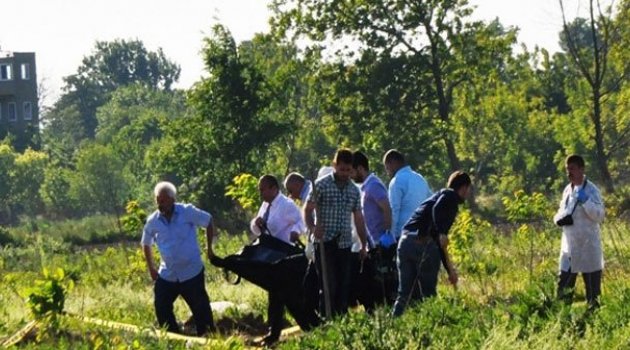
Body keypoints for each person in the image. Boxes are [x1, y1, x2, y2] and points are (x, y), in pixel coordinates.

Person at [392, 171, 471, 317]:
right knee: (428, 294)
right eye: (468, 189)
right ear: (464, 187)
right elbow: (437, 218)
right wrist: (442, 232)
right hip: (422, 243)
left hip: (405, 242)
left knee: (404, 294)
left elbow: (439, 243)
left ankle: (393, 323)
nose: (468, 193)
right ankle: (433, 326)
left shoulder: (439, 197)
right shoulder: (450, 196)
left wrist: (449, 270)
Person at [141, 181, 215, 335]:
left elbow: (208, 221)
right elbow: (145, 243)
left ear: (172, 199)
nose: (160, 204)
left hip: (191, 272)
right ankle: (173, 338)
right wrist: (151, 268)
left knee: (201, 310)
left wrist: (209, 249)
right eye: (157, 201)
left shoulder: (187, 212)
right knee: (161, 306)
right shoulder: (153, 221)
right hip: (168, 274)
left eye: (163, 200)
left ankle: (209, 339)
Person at [304, 149, 368, 317]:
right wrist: (313, 228)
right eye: (341, 169)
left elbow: (359, 218)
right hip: (324, 243)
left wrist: (364, 243)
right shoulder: (321, 185)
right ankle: (326, 319)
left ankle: (341, 320)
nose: (345, 173)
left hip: (344, 244)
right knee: (328, 285)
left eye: (348, 170)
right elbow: (307, 210)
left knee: (343, 285)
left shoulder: (354, 190)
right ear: (334, 166)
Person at [250, 175, 306, 346]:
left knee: (284, 295)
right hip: (270, 256)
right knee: (274, 294)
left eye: (263, 189)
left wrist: (295, 232)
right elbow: (256, 229)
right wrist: (256, 222)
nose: (261, 193)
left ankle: (302, 325)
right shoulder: (265, 205)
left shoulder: (286, 205)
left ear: (274, 188)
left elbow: (302, 222)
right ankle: (273, 332)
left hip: (285, 256)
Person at [553, 154, 605, 309]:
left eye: (572, 169)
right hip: (569, 247)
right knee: (564, 288)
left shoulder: (591, 190)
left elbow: (600, 215)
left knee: (592, 292)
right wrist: (559, 220)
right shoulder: (567, 191)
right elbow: (559, 212)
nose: (569, 173)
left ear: (582, 169)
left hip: (588, 247)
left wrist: (586, 202)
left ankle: (593, 322)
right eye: (567, 170)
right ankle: (563, 320)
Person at [382, 149, 432, 239]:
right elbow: (431, 201)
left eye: (387, 168)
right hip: (422, 234)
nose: (387, 173)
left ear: (393, 163)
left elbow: (394, 210)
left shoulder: (396, 181)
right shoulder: (420, 178)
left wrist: (391, 236)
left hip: (404, 235)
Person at [352, 151, 392, 246]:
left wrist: (386, 234)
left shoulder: (374, 185)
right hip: (374, 242)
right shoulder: (366, 187)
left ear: (360, 168)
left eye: (352, 172)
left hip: (381, 242)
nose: (350, 176)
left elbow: (387, 209)